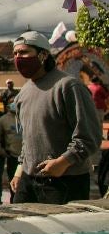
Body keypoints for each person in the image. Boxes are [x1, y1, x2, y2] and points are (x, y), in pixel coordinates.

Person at [9, 31, 101, 205]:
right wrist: (19, 170)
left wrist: (63, 162)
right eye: (15, 54)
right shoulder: (23, 93)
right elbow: (28, 138)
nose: (18, 58)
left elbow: (89, 136)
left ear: (43, 55)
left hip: (64, 182)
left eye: (24, 52)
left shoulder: (68, 86)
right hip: (29, 181)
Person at [0, 100, 22, 204]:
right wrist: (2, 152)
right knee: (14, 186)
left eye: (17, 100)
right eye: (11, 101)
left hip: (28, 158)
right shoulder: (2, 121)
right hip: (13, 158)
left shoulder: (26, 117)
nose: (14, 103)